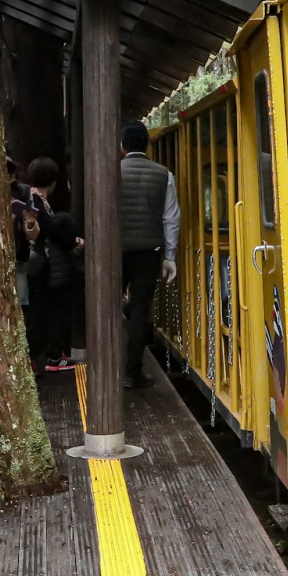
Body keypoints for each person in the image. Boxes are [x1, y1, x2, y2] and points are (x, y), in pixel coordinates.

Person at [118, 121, 179, 389]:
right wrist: (170, 256)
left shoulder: (112, 172)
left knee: (108, 308)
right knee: (140, 309)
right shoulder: (164, 174)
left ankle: (107, 368)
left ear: (121, 147)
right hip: (149, 252)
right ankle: (132, 372)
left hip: (114, 252)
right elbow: (171, 218)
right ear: (148, 144)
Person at [20, 157, 82, 373]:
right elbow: (48, 228)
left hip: (41, 264)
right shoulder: (36, 201)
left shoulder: (32, 198)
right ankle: (53, 356)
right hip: (43, 264)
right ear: (54, 181)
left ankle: (49, 355)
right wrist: (73, 240)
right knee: (50, 311)